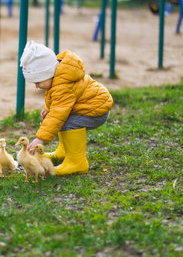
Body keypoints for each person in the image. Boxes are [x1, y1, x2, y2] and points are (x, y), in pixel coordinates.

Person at [20, 40, 113, 175]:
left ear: (47, 74)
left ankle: (77, 163)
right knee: (61, 118)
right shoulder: (59, 76)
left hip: (96, 111)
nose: (36, 86)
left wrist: (41, 138)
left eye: (38, 81)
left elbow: (58, 113)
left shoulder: (62, 85)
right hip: (88, 106)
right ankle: (64, 152)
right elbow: (58, 102)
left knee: (68, 122)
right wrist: (49, 108)